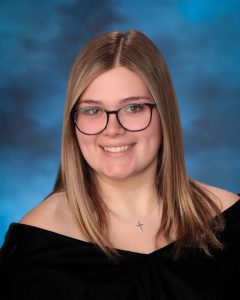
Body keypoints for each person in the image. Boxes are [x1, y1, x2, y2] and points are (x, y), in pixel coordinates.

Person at [0, 30, 239, 300]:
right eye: (92, 111)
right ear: (73, 123)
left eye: (134, 108)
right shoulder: (34, 246)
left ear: (165, 114)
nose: (112, 129)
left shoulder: (230, 221)